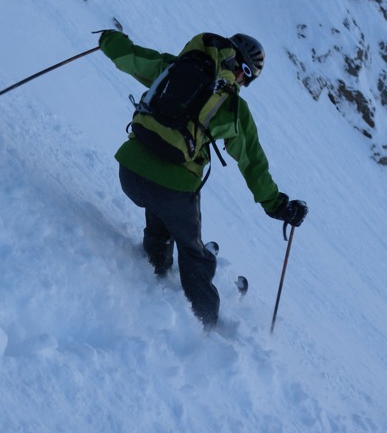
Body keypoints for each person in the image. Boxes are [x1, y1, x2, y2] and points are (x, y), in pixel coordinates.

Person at [99, 29, 307, 328]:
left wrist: (108, 39)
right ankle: (207, 323)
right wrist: (278, 206)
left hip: (130, 171)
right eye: (246, 76)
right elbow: (253, 163)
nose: (243, 83)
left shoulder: (173, 67)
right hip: (171, 190)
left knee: (160, 214)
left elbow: (128, 57)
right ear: (241, 70)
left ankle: (153, 266)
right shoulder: (234, 108)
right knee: (194, 252)